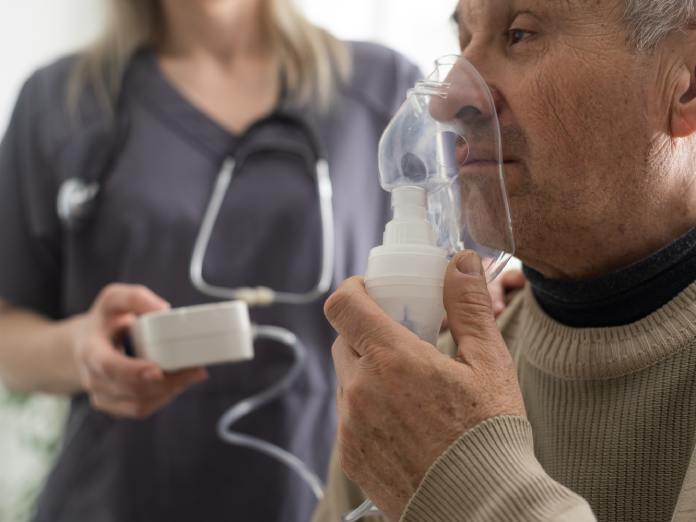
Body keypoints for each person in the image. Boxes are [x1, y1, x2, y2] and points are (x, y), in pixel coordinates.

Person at [0, 1, 425, 521]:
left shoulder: (383, 89)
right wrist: (78, 351)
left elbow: (463, 296)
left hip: (324, 494)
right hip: (117, 498)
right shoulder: (62, 101)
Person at [313, 0, 696, 521]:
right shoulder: (418, 389)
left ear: (686, 84)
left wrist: (462, 478)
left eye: (519, 35)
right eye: (463, 38)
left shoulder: (437, 425)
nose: (445, 100)